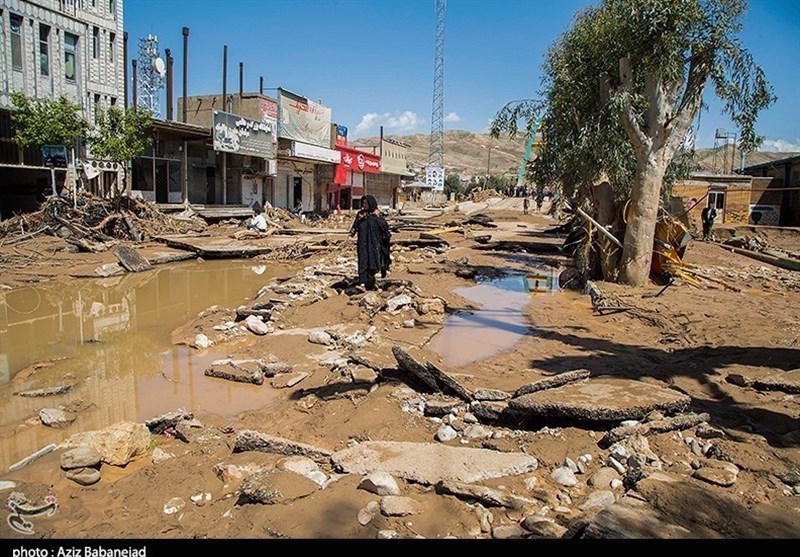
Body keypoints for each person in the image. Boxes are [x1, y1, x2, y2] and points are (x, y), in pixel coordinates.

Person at [349, 195, 389, 289]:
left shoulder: (377, 214)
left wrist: (377, 217)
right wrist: (351, 235)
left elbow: (385, 227)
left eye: (366, 203)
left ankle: (371, 279)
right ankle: (362, 282)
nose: (364, 205)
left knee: (373, 260)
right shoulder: (360, 214)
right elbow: (355, 226)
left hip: (374, 243)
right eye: (363, 203)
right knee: (363, 261)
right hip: (362, 243)